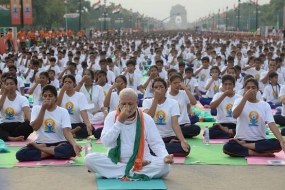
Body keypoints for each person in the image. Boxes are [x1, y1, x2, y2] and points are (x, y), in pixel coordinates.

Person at [84, 88, 173, 180]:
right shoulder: (111, 116)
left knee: (165, 166)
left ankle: (119, 172)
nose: (127, 107)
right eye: (123, 104)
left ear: (137, 102)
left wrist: (165, 156)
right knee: (89, 159)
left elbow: (156, 142)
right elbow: (106, 142)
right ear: (119, 103)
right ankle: (134, 168)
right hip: (116, 161)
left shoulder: (146, 118)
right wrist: (119, 121)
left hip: (142, 158)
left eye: (130, 104)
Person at [16, 85, 82, 161]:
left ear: (56, 98)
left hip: (59, 143)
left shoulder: (63, 111)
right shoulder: (36, 109)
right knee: (20, 154)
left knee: (71, 150)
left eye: (50, 96)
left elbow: (66, 131)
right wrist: (43, 109)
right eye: (45, 96)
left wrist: (74, 144)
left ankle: (43, 151)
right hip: (41, 143)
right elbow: (35, 127)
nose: (47, 98)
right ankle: (52, 152)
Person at [223, 78, 285, 157]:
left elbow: (271, 124)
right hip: (241, 139)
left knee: (276, 143)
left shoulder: (265, 105)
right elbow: (235, 115)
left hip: (259, 141)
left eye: (253, 87)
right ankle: (257, 153)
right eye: (248, 88)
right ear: (244, 89)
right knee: (227, 147)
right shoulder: (238, 101)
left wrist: (281, 140)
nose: (250, 90)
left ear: (257, 89)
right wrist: (245, 97)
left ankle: (245, 147)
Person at [143, 78, 190, 157]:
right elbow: (148, 118)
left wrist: (182, 140)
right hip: (153, 139)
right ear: (153, 89)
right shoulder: (147, 102)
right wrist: (155, 100)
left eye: (161, 87)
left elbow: (175, 124)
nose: (159, 89)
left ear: (165, 89)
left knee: (186, 149)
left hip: (168, 137)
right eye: (156, 87)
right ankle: (160, 150)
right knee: (143, 147)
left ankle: (157, 151)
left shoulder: (173, 103)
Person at [57, 75, 94, 139]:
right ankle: (72, 133)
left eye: (70, 82)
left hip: (76, 124)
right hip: (63, 124)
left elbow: (83, 111)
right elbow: (57, 105)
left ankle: (70, 134)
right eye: (65, 82)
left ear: (74, 84)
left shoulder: (80, 95)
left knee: (91, 129)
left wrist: (88, 124)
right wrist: (62, 90)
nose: (67, 84)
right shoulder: (59, 93)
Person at [166, 73, 201, 137]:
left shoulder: (184, 93)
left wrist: (185, 88)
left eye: (179, 83)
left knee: (196, 129)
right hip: (172, 124)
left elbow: (194, 103)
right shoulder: (166, 95)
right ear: (170, 83)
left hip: (183, 124)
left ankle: (175, 133)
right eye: (175, 83)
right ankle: (177, 133)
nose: (177, 85)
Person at [0, 76, 33, 141]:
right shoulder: (1, 97)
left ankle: (6, 136)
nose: (9, 86)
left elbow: (28, 114)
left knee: (29, 125)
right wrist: (4, 93)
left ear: (16, 86)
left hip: (18, 125)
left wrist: (32, 123)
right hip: (4, 124)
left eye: (11, 84)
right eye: (7, 84)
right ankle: (11, 137)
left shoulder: (22, 99)